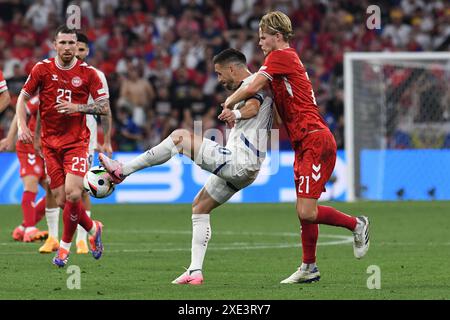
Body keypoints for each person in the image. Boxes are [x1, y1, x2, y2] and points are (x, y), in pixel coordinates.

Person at [99, 48, 273, 285]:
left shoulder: (252, 83)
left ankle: (122, 171)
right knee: (200, 207)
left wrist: (235, 113)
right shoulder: (250, 87)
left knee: (180, 137)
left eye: (220, 74)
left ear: (232, 68)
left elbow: (253, 106)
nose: (219, 80)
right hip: (246, 168)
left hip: (240, 162)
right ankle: (194, 272)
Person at [222, 11, 370, 284]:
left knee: (306, 211)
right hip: (304, 143)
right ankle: (309, 267)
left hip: (315, 137)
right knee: (304, 210)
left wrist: (229, 101)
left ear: (277, 37)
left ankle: (356, 223)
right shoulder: (280, 71)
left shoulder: (281, 57)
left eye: (263, 37)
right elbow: (277, 116)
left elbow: (254, 84)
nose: (260, 42)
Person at [17, 25, 109, 267]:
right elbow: (23, 98)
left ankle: (64, 250)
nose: (68, 48)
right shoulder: (42, 69)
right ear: (54, 44)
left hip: (77, 142)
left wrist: (78, 108)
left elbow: (104, 107)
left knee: (74, 193)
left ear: (77, 46)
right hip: (49, 144)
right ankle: (93, 228)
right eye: (63, 43)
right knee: (60, 200)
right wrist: (22, 126)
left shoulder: (89, 74)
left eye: (72, 43)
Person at [73, 32, 113, 254]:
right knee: (58, 189)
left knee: (81, 188)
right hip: (56, 138)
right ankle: (62, 237)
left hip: (84, 139)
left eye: (81, 49)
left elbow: (105, 109)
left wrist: (106, 140)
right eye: (72, 48)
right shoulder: (55, 72)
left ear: (87, 51)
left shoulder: (95, 75)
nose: (76, 53)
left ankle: (81, 239)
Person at [0, 97, 58, 244]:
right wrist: (9, 138)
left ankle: (23, 228)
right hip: (29, 145)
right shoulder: (42, 96)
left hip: (47, 147)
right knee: (31, 185)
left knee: (57, 193)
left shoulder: (68, 96)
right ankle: (31, 230)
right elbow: (19, 114)